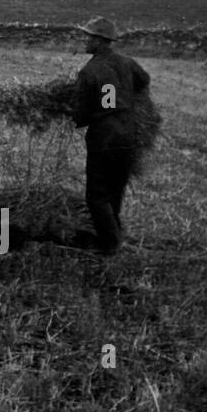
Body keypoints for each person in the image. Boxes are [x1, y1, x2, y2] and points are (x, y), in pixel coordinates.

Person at [71, 16, 150, 252]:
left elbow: (81, 112)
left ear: (101, 41)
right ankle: (114, 234)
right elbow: (144, 79)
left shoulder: (89, 71)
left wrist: (77, 115)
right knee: (116, 189)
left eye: (89, 37)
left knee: (96, 194)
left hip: (104, 135)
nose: (85, 41)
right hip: (130, 131)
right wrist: (126, 97)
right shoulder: (127, 63)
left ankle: (109, 244)